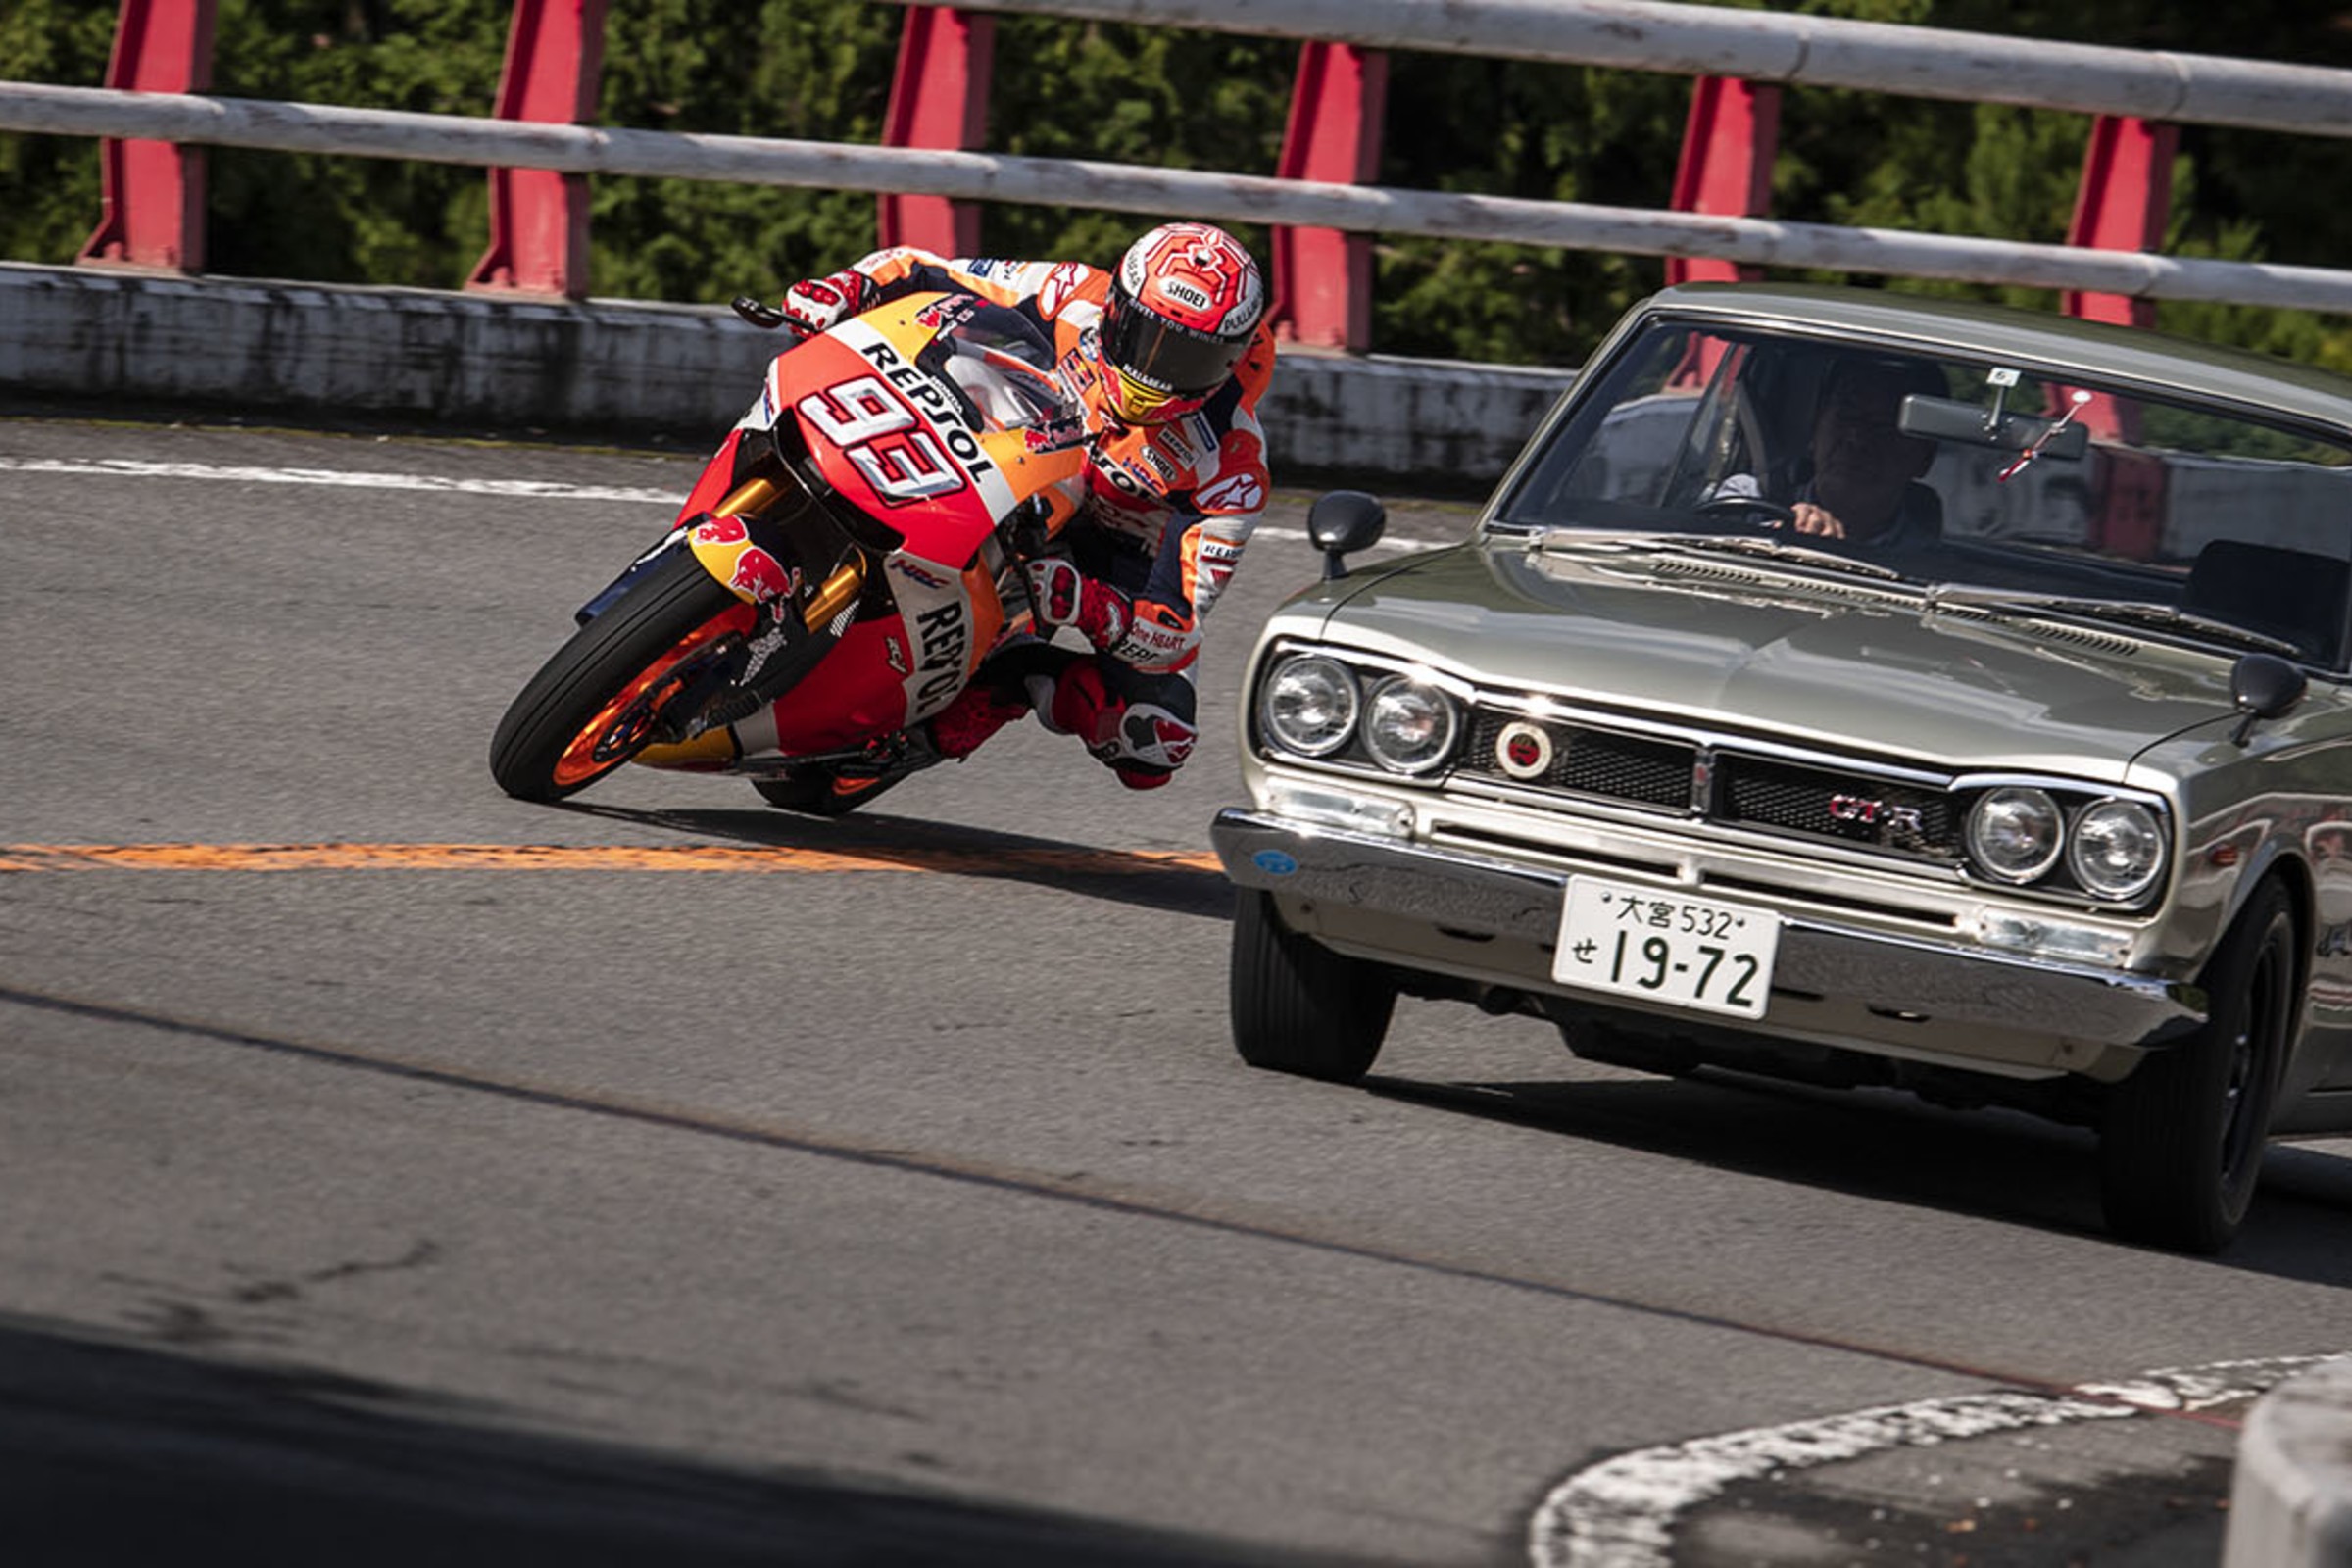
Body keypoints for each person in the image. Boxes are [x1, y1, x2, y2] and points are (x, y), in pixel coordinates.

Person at [772, 220, 1277, 797]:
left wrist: (1091, 608)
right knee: (955, 364)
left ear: (1229, 360)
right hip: (1012, 446)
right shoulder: (1073, 294)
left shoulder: (1233, 465)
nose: (1154, 371)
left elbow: (1180, 627)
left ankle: (1008, 681)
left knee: (1155, 741)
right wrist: (847, 287)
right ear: (1117, 307)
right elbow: (921, 268)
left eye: (1186, 359)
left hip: (1105, 568)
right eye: (1145, 337)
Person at [1775, 356, 1945, 547]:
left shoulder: (1928, 568)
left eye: (1884, 427)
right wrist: (1775, 533)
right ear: (1815, 424)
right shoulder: (1748, 503)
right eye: (1846, 416)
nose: (1856, 439)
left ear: (1925, 457)